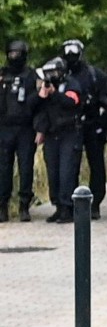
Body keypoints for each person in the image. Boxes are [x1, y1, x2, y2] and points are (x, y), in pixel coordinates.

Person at [61, 39, 107, 220]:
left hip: (92, 125)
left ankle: (95, 203)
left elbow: (106, 101)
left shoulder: (94, 74)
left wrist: (105, 126)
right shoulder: (62, 74)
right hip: (70, 126)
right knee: (69, 165)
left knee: (96, 165)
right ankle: (69, 202)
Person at [33, 57, 84, 224]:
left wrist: (55, 94)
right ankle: (58, 206)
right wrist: (42, 96)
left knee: (66, 171)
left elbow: (72, 101)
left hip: (69, 133)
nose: (52, 76)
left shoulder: (71, 84)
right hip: (51, 135)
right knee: (53, 172)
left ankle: (67, 207)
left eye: (55, 72)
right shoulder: (46, 89)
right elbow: (39, 112)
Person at [0, 40, 39, 222]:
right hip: (5, 128)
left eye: (17, 53)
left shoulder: (31, 75)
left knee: (25, 167)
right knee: (4, 168)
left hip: (25, 128)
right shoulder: (2, 74)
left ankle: (24, 205)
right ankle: (3, 206)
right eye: (11, 54)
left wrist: (39, 129)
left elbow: (38, 105)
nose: (14, 57)